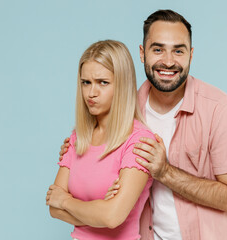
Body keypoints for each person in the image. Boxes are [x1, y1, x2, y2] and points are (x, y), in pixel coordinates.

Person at [59, 9, 227, 240]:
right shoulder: (126, 110)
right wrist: (79, 150)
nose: (168, 61)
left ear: (191, 55)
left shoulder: (220, 110)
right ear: (142, 53)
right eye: (158, 49)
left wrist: (165, 172)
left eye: (178, 51)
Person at [46, 40, 155, 240]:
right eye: (86, 82)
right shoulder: (78, 138)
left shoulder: (139, 141)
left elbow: (113, 217)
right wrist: (98, 209)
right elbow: (53, 207)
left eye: (102, 82)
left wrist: (67, 202)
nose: (91, 93)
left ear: (122, 85)